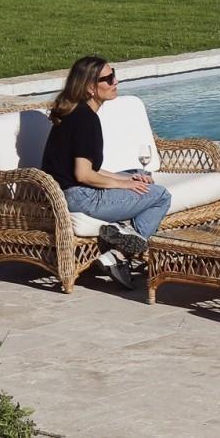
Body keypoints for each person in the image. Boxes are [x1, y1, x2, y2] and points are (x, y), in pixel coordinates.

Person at [40, 56, 171, 289]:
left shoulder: (75, 113)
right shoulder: (86, 120)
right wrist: (123, 185)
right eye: (108, 78)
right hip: (80, 196)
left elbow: (90, 169)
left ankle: (123, 232)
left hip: (68, 192)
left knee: (138, 174)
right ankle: (120, 255)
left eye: (114, 75)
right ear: (91, 87)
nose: (115, 82)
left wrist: (126, 177)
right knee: (160, 195)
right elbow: (83, 175)